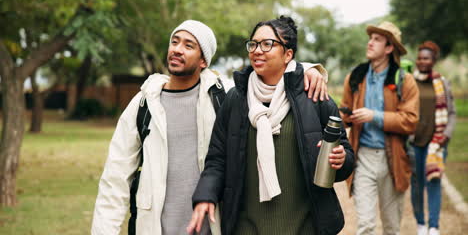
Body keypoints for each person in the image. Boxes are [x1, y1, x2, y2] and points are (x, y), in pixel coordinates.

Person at [91, 19, 330, 235]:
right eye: (174, 42)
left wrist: (308, 69)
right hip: (153, 226)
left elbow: (270, 77)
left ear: (204, 60)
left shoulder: (221, 99)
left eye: (188, 45)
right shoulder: (144, 104)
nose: (177, 49)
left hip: (211, 225)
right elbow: (115, 178)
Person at [187, 16, 354, 235]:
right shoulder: (236, 99)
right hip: (246, 226)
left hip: (305, 226)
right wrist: (205, 196)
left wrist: (341, 159)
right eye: (253, 44)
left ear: (288, 54)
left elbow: (346, 157)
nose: (257, 50)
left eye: (267, 44)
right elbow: (218, 157)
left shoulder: (314, 96)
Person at [340, 21, 420, 235]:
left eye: (377, 39)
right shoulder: (354, 77)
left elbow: (411, 120)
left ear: (389, 48)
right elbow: (344, 112)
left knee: (392, 227)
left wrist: (373, 116)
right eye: (370, 38)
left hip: (392, 159)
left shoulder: (405, 81)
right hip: (362, 157)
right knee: (365, 225)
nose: (370, 43)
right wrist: (344, 117)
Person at [410, 41, 456, 235]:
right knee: (417, 185)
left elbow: (452, 113)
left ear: (433, 60)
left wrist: (446, 135)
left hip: (436, 144)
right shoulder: (410, 82)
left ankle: (434, 226)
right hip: (414, 143)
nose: (422, 61)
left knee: (434, 182)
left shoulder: (442, 83)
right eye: (420, 57)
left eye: (426, 58)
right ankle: (421, 223)